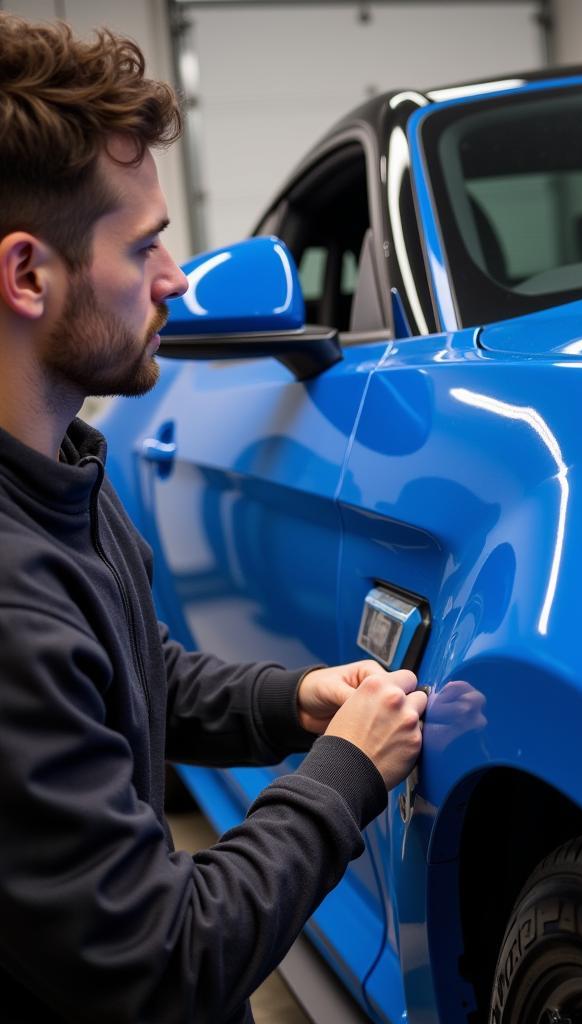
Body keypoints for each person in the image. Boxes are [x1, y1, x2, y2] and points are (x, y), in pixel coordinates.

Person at [0, 13, 427, 1022]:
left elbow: (128, 676)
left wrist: (297, 701)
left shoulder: (63, 471)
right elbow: (161, 962)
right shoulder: (9, 595)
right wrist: (346, 774)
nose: (175, 279)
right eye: (144, 245)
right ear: (27, 275)